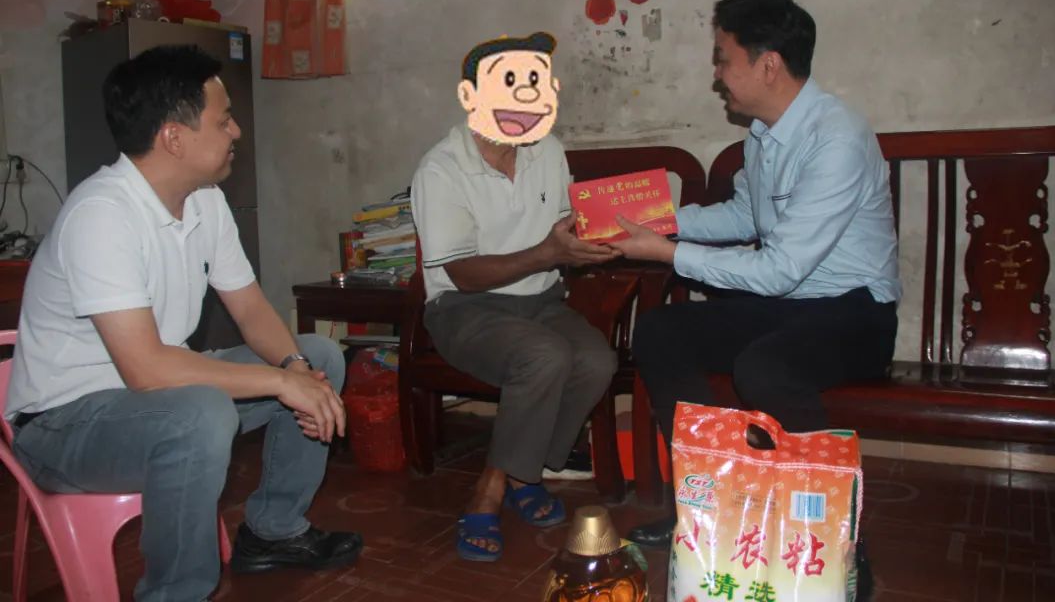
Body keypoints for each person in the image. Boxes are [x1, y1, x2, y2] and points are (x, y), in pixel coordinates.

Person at [4, 45, 362, 602]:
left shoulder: (205, 202)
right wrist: (278, 381)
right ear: (174, 137)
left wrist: (294, 368)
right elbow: (147, 369)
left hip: (156, 399)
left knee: (318, 357)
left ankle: (273, 531)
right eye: (223, 120)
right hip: (63, 425)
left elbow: (250, 308)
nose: (236, 131)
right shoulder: (101, 215)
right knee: (200, 414)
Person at [611, 0, 900, 570]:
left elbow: (779, 268)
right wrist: (658, 222)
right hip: (791, 304)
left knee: (766, 368)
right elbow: (745, 217)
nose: (717, 75)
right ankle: (708, 504)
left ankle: (837, 541)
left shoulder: (836, 138)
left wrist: (666, 253)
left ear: (768, 64)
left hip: (857, 311)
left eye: (723, 59)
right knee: (663, 331)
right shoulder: (764, 135)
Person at [411, 32, 620, 563]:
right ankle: (492, 486)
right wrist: (550, 252)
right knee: (543, 355)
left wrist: (595, 240)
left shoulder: (548, 150)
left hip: (541, 299)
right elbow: (463, 275)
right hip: (464, 308)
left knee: (597, 360)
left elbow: (562, 232)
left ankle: (524, 472)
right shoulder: (441, 169)